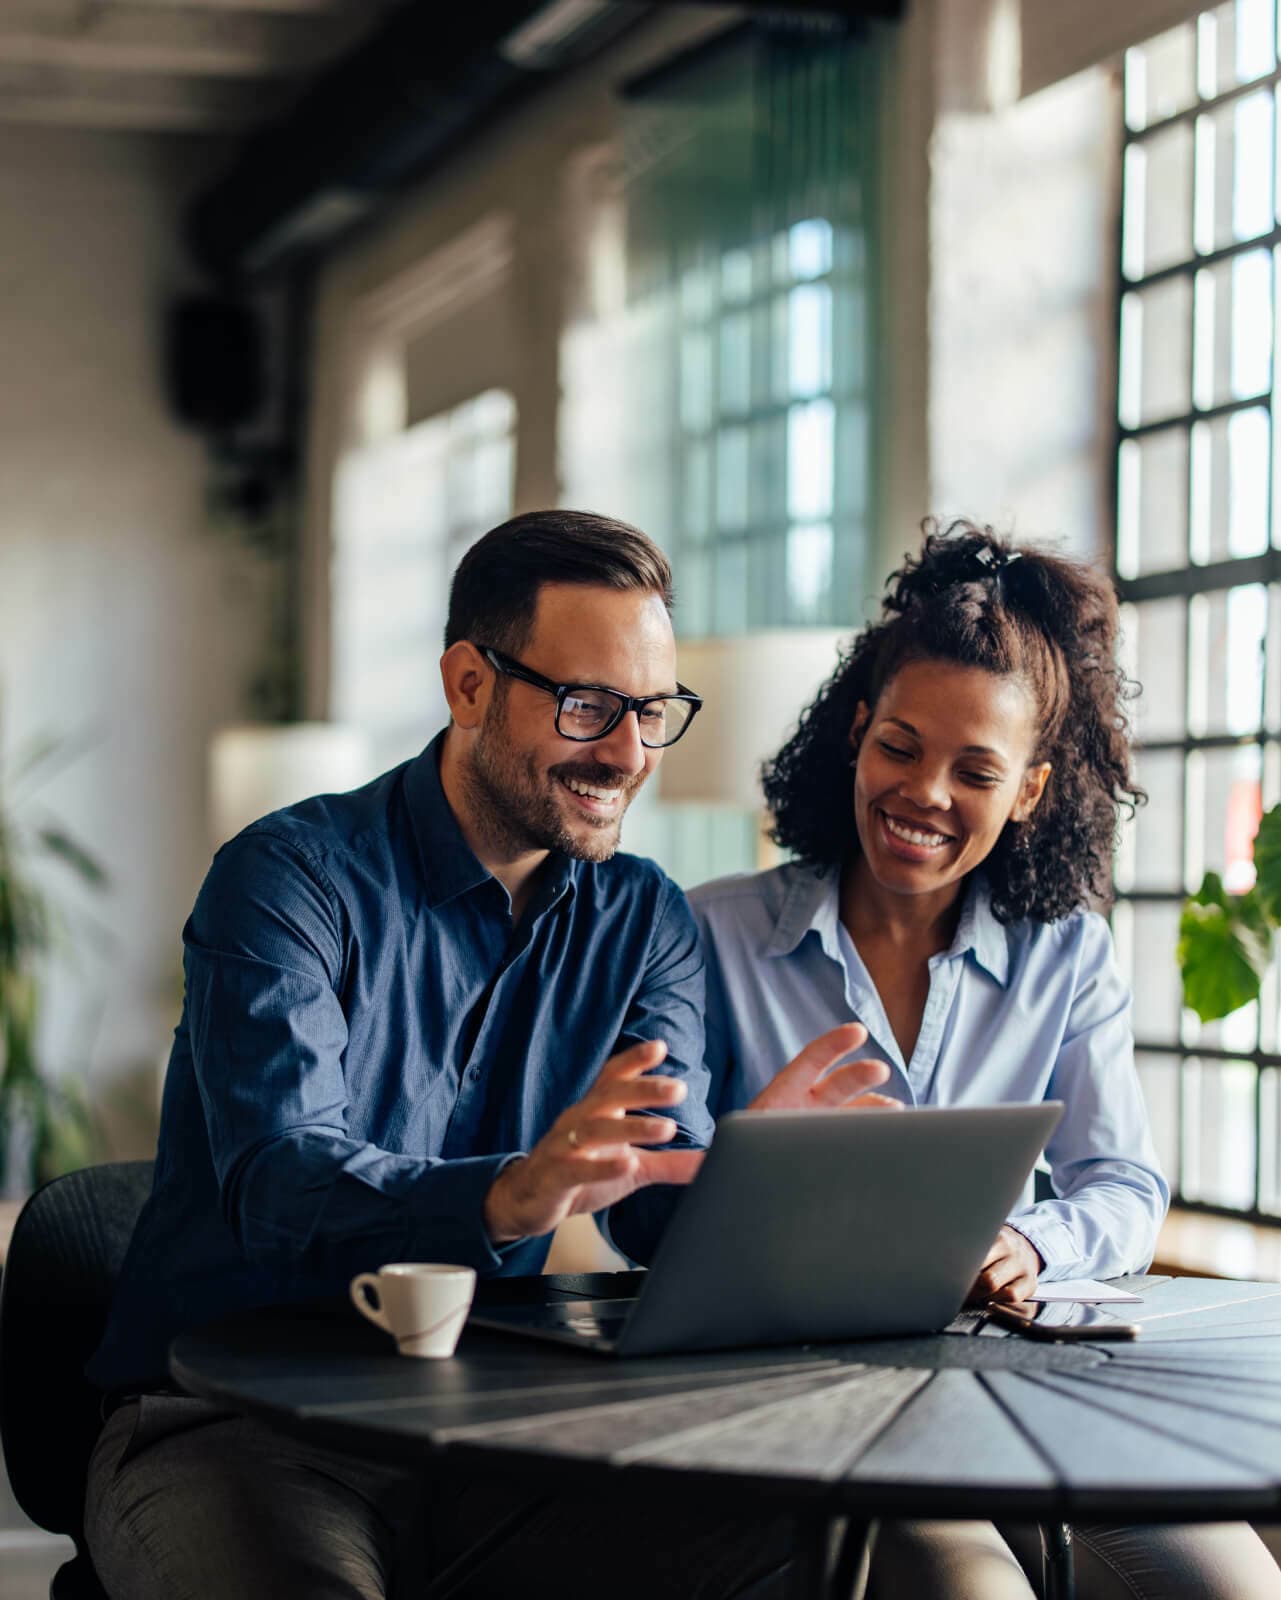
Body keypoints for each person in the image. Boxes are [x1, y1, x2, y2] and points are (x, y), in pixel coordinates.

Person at [82, 510, 886, 1600]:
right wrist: (509, 1197)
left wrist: (749, 1179)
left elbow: (650, 1204)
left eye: (653, 711)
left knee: (842, 1552)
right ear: (469, 684)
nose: (628, 753)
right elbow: (279, 1183)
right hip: (231, 1421)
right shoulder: (289, 880)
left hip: (494, 1426)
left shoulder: (644, 919)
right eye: (588, 705)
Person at [692, 521, 1281, 1600]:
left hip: (1013, 1371)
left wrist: (1026, 1239)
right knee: (972, 1591)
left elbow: (1125, 1185)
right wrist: (742, 1160)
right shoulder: (713, 935)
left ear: (1028, 792)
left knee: (1236, 1586)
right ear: (854, 736)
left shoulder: (1066, 957)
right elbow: (652, 1199)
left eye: (975, 769)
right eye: (900, 746)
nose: (924, 792)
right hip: (802, 1389)